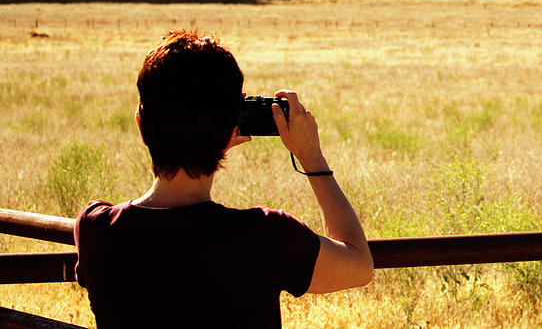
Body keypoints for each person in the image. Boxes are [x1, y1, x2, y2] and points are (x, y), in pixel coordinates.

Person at [74, 30, 373, 329]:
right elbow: (359, 266)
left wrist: (208, 139)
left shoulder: (95, 228)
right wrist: (311, 156)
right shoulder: (266, 236)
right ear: (234, 124)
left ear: (141, 127)